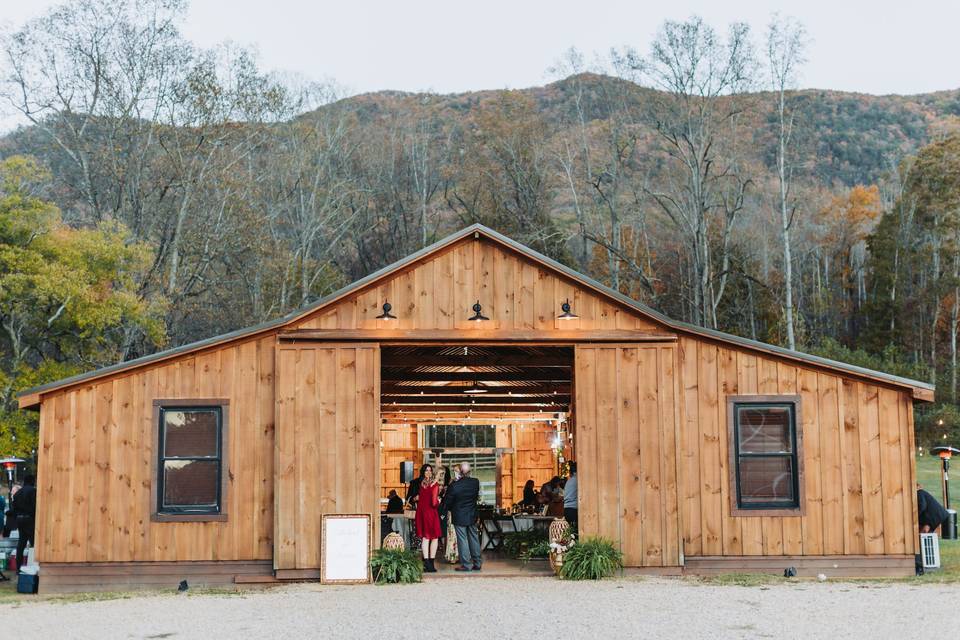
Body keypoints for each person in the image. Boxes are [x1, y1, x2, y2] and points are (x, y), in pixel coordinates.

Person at [441, 461, 481, 572]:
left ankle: (466, 565)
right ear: (469, 472)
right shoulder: (475, 482)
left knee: (462, 540)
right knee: (474, 538)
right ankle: (477, 563)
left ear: (461, 472)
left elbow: (448, 502)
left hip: (459, 515)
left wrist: (448, 509)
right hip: (472, 514)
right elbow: (475, 496)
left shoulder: (454, 486)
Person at [414, 464, 441, 572]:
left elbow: (416, 498)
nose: (428, 472)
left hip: (421, 513)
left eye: (429, 470)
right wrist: (439, 501)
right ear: (424, 472)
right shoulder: (434, 485)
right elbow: (434, 503)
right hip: (431, 513)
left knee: (425, 537)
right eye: (427, 470)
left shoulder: (420, 484)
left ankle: (426, 563)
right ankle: (431, 564)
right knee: (434, 538)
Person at [12, 475, 36, 572]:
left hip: (20, 520)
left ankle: (18, 568)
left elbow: (14, 508)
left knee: (21, 544)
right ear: (32, 481)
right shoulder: (33, 491)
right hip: (30, 519)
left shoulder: (17, 493)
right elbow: (35, 506)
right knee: (33, 543)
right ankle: (33, 566)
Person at [564, 462, 578, 535]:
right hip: (573, 509)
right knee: (575, 534)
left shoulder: (569, 480)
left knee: (572, 533)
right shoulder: (577, 480)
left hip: (567, 509)